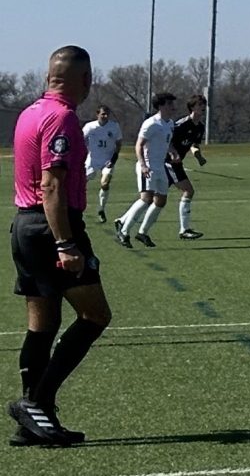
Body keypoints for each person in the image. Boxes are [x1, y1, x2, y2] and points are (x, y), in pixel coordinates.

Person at [8, 45, 111, 447]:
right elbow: (50, 184)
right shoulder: (63, 118)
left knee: (43, 325)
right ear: (83, 79)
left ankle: (33, 425)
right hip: (53, 227)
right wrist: (66, 243)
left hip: (23, 225)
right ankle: (37, 403)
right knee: (95, 314)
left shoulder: (29, 112)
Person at [114, 93, 179, 248]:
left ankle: (142, 232)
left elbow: (166, 142)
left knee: (161, 201)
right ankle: (124, 230)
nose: (173, 107)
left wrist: (172, 151)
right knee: (146, 199)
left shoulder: (169, 123)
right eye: (170, 103)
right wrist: (143, 165)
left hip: (160, 166)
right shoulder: (151, 123)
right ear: (162, 105)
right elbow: (139, 145)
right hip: (148, 166)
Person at [170, 94, 208, 240]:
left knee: (153, 198)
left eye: (204, 105)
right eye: (200, 105)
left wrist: (199, 156)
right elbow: (168, 141)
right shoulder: (181, 125)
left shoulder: (200, 127)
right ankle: (184, 230)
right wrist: (173, 154)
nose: (203, 107)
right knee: (188, 191)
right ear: (192, 108)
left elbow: (194, 144)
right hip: (169, 163)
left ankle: (123, 221)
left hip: (177, 163)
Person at [82, 105, 122, 224]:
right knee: (81, 183)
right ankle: (78, 207)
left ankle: (101, 209)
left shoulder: (114, 127)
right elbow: (80, 139)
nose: (105, 116)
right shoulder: (90, 126)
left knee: (105, 183)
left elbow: (119, 143)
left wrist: (114, 159)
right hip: (92, 160)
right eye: (103, 114)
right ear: (97, 114)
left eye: (107, 114)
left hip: (107, 160)